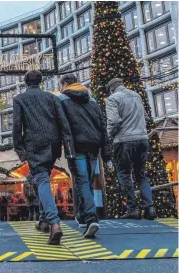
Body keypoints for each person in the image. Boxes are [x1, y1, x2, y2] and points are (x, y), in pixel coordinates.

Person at [13, 70, 75, 245]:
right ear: (40, 82)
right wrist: (66, 145)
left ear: (26, 82)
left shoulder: (20, 99)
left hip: (34, 144)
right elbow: (63, 123)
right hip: (53, 143)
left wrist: (19, 149)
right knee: (44, 179)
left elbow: (18, 125)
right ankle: (43, 220)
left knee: (41, 180)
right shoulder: (52, 98)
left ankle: (54, 223)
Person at [58, 74, 112, 237]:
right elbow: (102, 125)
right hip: (94, 144)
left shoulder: (62, 99)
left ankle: (91, 218)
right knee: (86, 180)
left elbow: (61, 123)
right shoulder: (92, 99)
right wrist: (106, 151)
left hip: (76, 145)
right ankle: (82, 216)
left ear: (65, 84)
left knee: (81, 181)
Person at [105, 78, 157, 220]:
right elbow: (145, 118)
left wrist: (108, 135)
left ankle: (133, 209)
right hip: (142, 139)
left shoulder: (112, 99)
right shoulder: (136, 95)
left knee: (124, 174)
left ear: (111, 89)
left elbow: (114, 121)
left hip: (124, 141)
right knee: (141, 174)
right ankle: (149, 207)